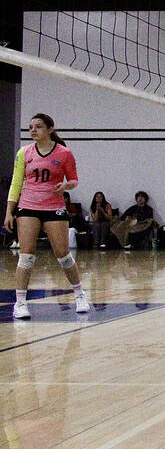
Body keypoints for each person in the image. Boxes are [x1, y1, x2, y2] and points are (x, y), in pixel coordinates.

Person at [4, 113, 91, 319]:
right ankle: (21, 302)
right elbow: (16, 183)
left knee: (62, 253)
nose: (33, 130)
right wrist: (9, 211)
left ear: (50, 129)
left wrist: (66, 185)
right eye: (30, 127)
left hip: (53, 206)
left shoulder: (64, 153)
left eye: (38, 127)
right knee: (26, 254)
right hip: (28, 206)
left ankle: (79, 294)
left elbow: (74, 179)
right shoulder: (24, 153)